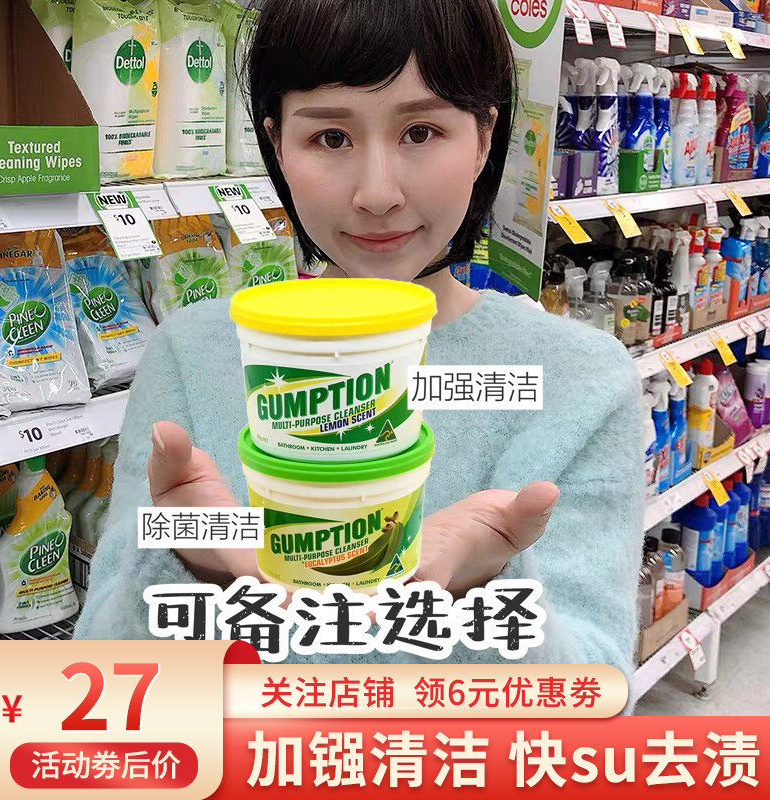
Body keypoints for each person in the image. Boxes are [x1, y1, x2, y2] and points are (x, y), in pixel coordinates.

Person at [75, 0, 643, 683]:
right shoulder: (192, 351)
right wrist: (197, 561)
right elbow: (103, 668)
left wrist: (479, 595)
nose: (377, 193)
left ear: (484, 138)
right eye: (330, 138)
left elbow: (597, 694)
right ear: (277, 144)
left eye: (421, 131)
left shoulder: (581, 379)